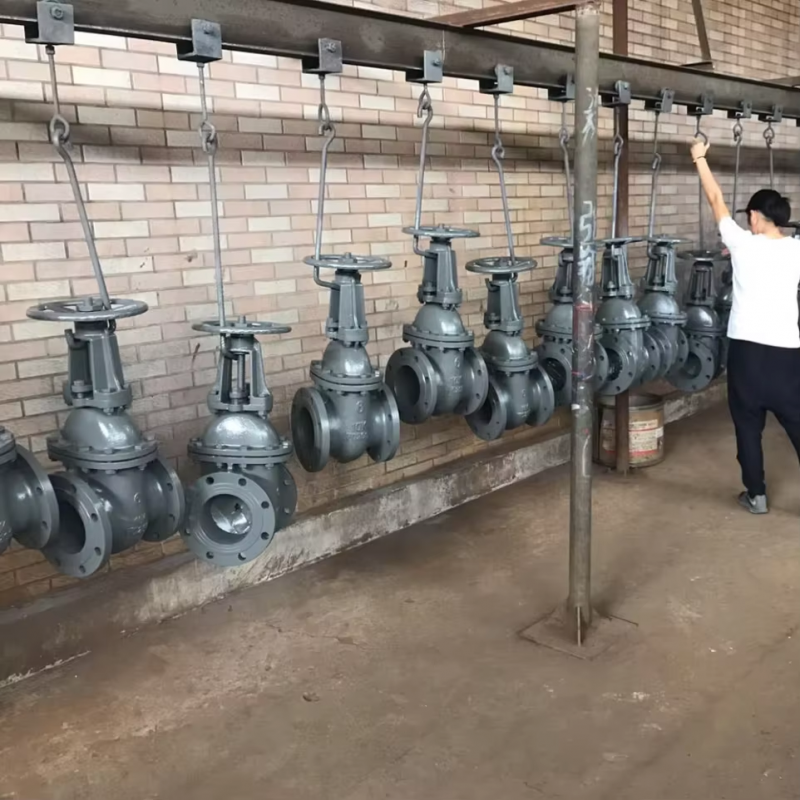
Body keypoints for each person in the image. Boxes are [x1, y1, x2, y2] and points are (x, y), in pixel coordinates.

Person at [691, 137, 800, 514]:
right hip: (787, 353)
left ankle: (757, 495)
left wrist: (699, 158)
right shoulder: (797, 249)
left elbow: (715, 198)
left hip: (747, 353)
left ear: (754, 216)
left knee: (748, 425)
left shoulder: (741, 243)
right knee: (797, 422)